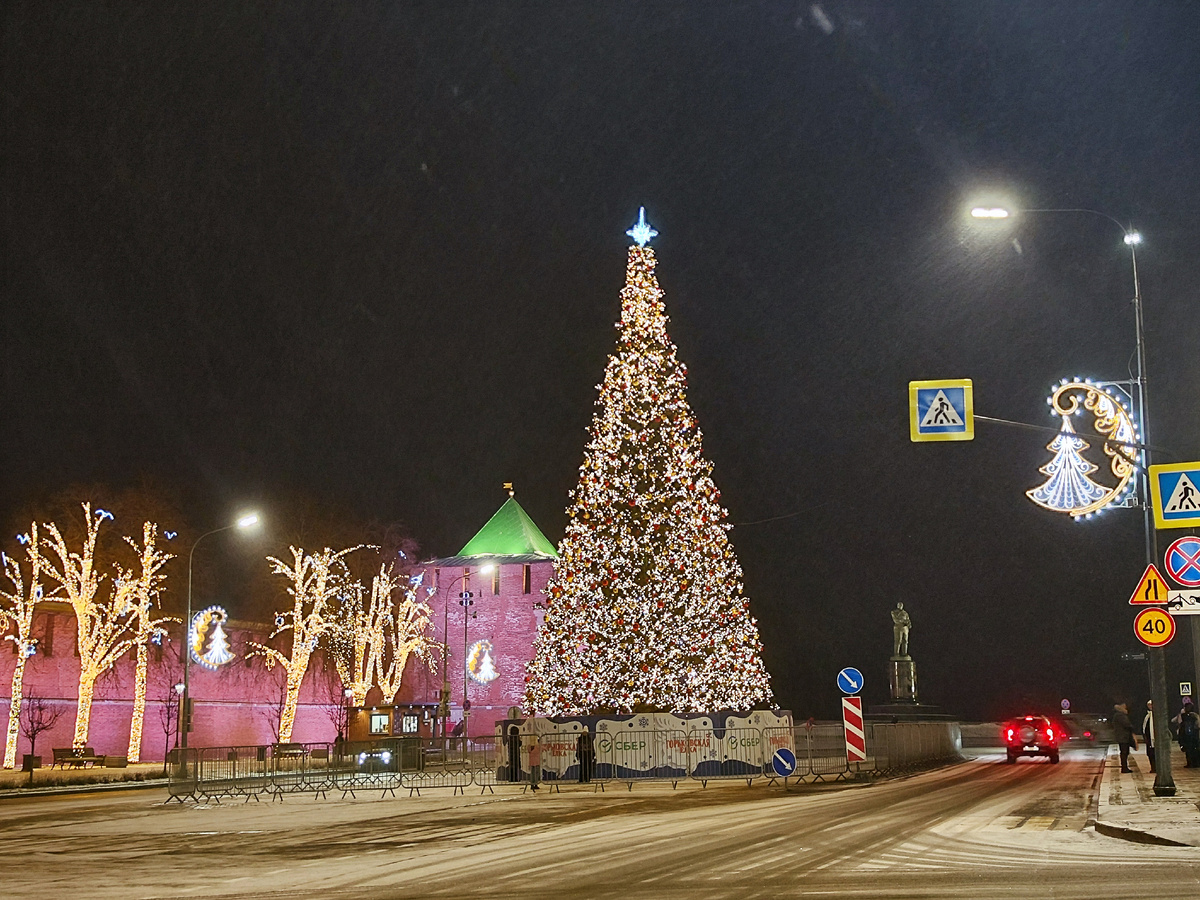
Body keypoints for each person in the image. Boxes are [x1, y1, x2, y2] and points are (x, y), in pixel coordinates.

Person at [1112, 702, 1136, 773]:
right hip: (1123, 737)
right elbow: (1127, 724)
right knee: (1124, 752)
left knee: (1124, 752)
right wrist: (1132, 727)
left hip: (1122, 736)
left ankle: (1125, 767)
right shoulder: (1120, 715)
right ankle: (1124, 768)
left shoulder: (1118, 715)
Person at [1179, 700, 1200, 768]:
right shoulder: (1187, 716)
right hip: (1190, 736)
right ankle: (1192, 763)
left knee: (1192, 750)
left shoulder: (1193, 716)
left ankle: (1193, 763)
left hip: (1191, 736)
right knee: (1190, 750)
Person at [1141, 700, 1155, 773]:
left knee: (1155, 754)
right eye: (1149, 705)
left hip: (1156, 739)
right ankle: (1153, 767)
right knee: (1150, 754)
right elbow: (1144, 728)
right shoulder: (1148, 716)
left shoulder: (1157, 715)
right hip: (1149, 739)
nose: (1150, 707)